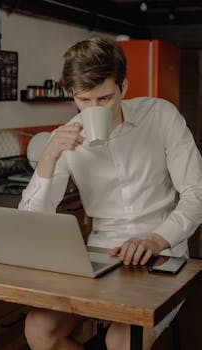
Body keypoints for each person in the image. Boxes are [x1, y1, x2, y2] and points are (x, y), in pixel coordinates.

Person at [18, 36, 202, 350]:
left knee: (121, 341)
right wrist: (49, 157)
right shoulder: (67, 137)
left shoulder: (160, 115)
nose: (93, 109)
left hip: (163, 253)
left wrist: (156, 240)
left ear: (124, 87)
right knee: (39, 330)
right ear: (72, 94)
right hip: (101, 257)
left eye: (104, 99)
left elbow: (196, 193)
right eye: (84, 100)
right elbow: (30, 224)